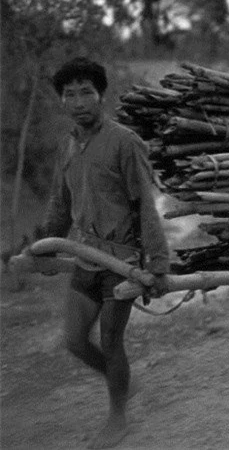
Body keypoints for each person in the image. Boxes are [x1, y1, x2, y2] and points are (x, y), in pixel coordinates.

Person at [41, 57, 170, 449]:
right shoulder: (69, 145)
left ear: (101, 96)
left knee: (113, 344)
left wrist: (158, 266)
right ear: (62, 101)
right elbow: (61, 203)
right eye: (70, 94)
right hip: (84, 257)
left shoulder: (124, 142)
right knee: (76, 341)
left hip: (122, 264)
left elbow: (146, 206)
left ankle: (118, 416)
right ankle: (123, 384)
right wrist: (46, 245)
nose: (78, 101)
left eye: (86, 92)